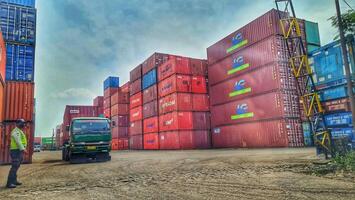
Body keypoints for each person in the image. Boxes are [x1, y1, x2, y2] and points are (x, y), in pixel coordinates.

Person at [6, 119, 27, 189]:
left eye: (24, 123)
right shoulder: (16, 131)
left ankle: (14, 181)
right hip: (16, 151)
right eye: (22, 123)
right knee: (14, 167)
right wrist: (23, 149)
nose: (23, 124)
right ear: (17, 123)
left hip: (18, 151)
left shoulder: (19, 131)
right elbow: (18, 141)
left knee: (17, 166)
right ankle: (9, 183)